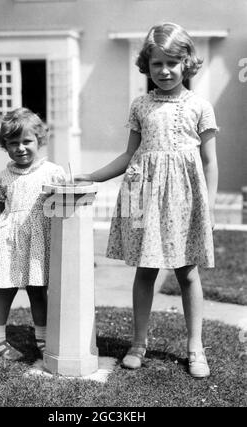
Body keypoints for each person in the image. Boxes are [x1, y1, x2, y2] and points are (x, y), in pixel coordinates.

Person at [75, 22, 218, 378]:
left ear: (187, 63)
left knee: (187, 272)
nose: (165, 71)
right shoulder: (140, 105)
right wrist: (92, 176)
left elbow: (210, 162)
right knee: (145, 269)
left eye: (172, 62)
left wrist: (210, 207)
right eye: (157, 64)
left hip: (186, 198)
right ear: (146, 65)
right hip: (144, 195)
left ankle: (195, 347)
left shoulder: (200, 106)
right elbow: (129, 156)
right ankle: (138, 343)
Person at [0, 108, 66, 360]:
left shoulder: (53, 172)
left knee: (38, 289)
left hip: (39, 240)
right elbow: (4, 208)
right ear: (4, 145)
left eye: (26, 141)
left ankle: (43, 339)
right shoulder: (3, 177)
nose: (20, 148)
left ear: (39, 140)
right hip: (9, 239)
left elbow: (60, 206)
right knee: (5, 289)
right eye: (13, 143)